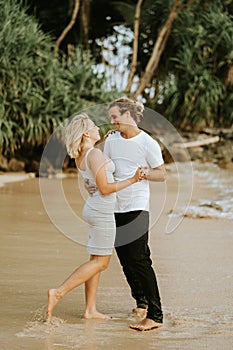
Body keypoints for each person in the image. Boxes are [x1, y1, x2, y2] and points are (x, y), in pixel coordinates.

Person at [46, 113, 143, 321]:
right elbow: (106, 188)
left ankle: (90, 310)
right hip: (102, 212)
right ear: (86, 133)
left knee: (95, 259)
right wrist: (134, 179)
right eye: (93, 126)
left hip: (95, 208)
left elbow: (93, 181)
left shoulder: (83, 155)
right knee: (101, 262)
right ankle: (59, 292)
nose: (98, 127)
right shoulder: (94, 155)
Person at [85, 98, 166, 331]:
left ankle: (155, 315)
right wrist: (93, 184)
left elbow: (162, 175)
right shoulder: (111, 139)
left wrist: (144, 174)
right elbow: (107, 169)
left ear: (128, 114)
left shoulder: (147, 142)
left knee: (140, 260)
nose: (112, 121)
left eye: (115, 117)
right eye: (111, 118)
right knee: (125, 259)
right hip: (115, 205)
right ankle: (141, 303)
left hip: (137, 206)